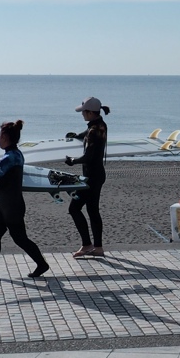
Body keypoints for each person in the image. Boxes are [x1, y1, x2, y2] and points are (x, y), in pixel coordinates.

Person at [0, 120, 49, 280]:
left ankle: (42, 264)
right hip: (8, 205)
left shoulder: (8, 158)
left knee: (20, 238)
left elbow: (0, 180)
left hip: (11, 207)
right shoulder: (17, 154)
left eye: (0, 135)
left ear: (6, 137)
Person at [64, 97, 110, 258]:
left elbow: (88, 156)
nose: (82, 114)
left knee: (74, 208)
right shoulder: (100, 125)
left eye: (83, 111)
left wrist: (72, 161)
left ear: (90, 112)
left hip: (91, 177)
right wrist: (76, 135)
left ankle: (87, 245)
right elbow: (86, 134)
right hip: (98, 175)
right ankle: (97, 248)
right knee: (92, 210)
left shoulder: (94, 130)